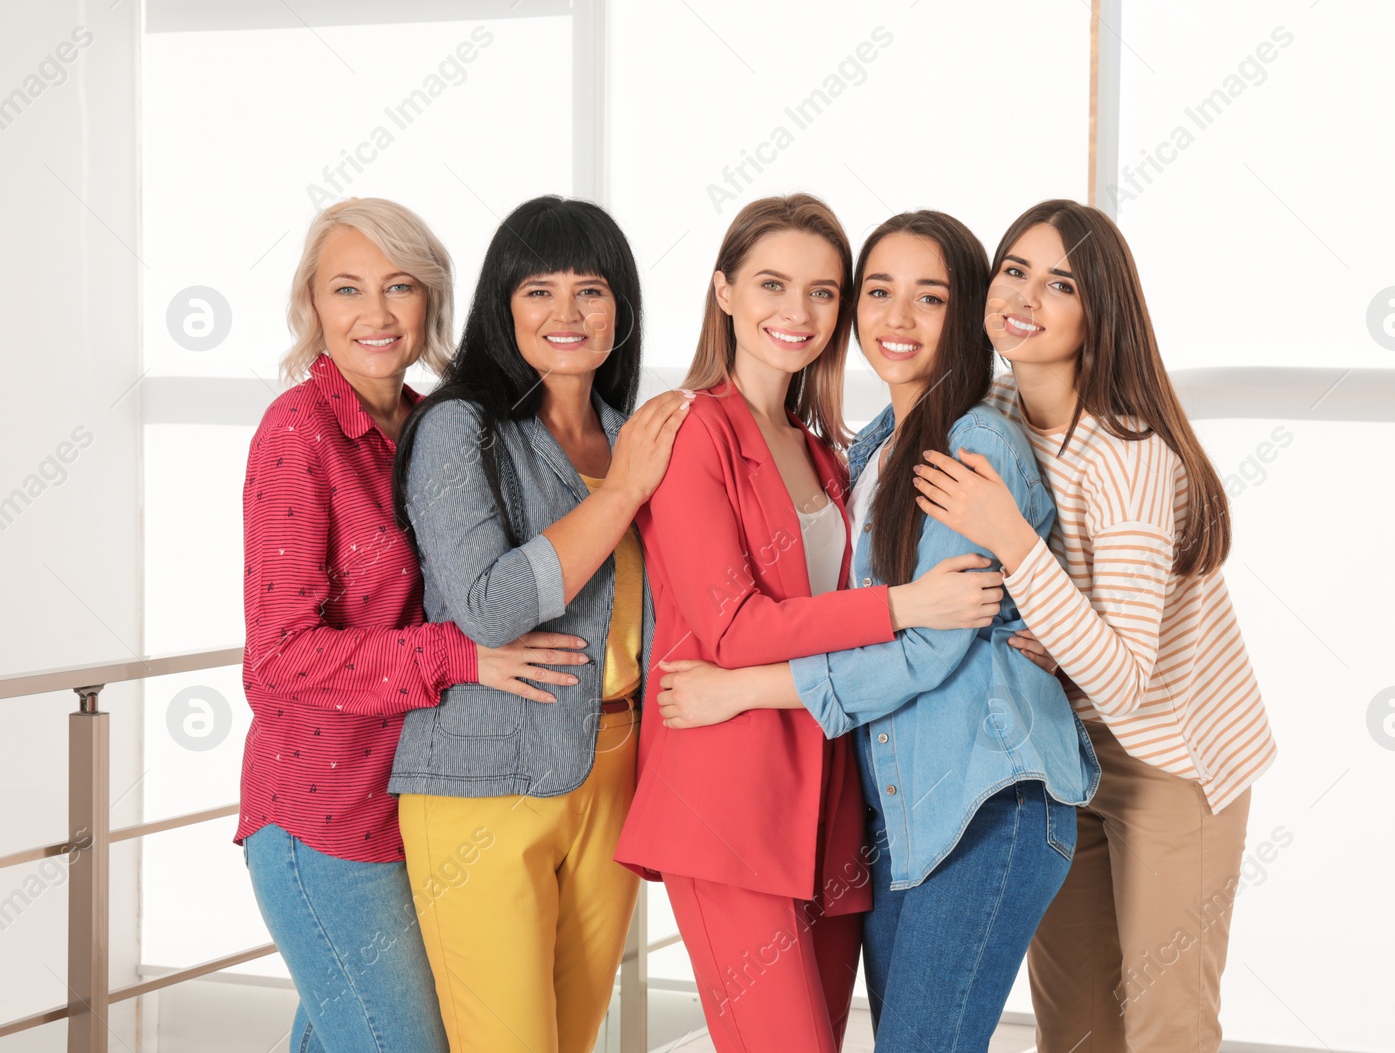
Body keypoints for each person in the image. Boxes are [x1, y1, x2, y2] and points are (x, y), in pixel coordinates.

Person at [653, 210, 1099, 1052]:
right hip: (896, 807)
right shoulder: (869, 450)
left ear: (964, 312)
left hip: (984, 800)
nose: (896, 319)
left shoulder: (973, 442)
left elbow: (932, 643)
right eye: (878, 292)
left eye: (928, 298)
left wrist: (743, 687)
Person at [914, 199, 1277, 1052]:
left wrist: (1010, 536)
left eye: (1060, 283)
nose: (1025, 296)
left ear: (1097, 310)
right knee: (1074, 1030)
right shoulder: (994, 412)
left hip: (1173, 756)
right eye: (1014, 271)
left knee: (1165, 1027)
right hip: (1061, 746)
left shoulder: (1128, 456)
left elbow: (1125, 678)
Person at [238, 197, 584, 1052]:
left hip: (416, 803)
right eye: (347, 289)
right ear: (311, 307)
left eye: (399, 287)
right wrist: (461, 655)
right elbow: (278, 656)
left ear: (431, 299)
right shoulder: (298, 433)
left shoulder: (435, 425)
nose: (377, 313)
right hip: (321, 820)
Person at [388, 195, 690, 1053]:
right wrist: (624, 492)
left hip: (617, 768)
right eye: (539, 291)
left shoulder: (629, 434)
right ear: (502, 305)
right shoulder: (460, 427)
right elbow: (487, 604)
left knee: (570, 1039)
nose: (567, 313)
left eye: (590, 291)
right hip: (485, 779)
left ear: (620, 310)